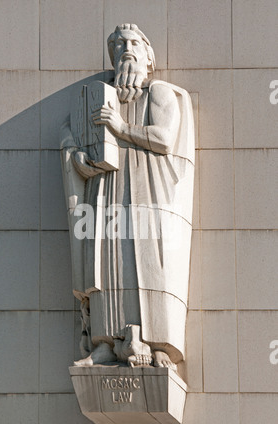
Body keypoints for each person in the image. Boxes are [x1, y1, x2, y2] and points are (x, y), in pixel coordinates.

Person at [60, 24, 195, 370]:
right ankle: (106, 342)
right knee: (107, 262)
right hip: (107, 190)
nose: (127, 49)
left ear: (149, 56)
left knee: (151, 264)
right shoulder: (98, 98)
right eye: (118, 45)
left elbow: (165, 139)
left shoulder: (159, 92)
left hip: (149, 191)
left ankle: (159, 344)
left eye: (134, 43)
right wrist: (78, 158)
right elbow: (72, 135)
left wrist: (120, 128)